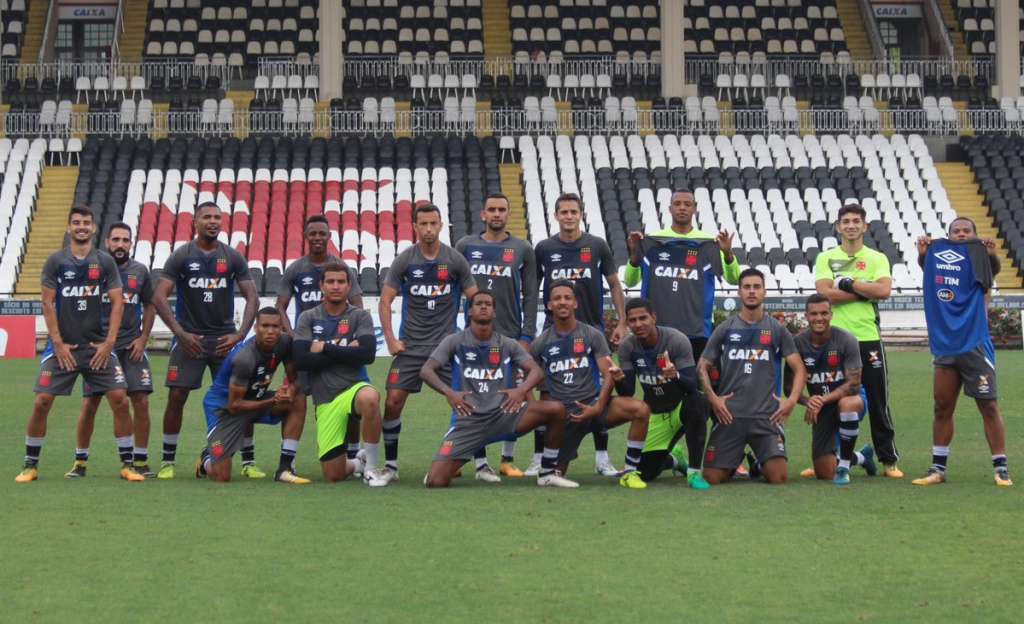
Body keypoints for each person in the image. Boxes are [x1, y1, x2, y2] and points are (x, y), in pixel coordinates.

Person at [15, 206, 142, 483]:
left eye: (86, 223)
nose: (81, 227)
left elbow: (118, 301)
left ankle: (127, 465)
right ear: (68, 227)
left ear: (94, 228)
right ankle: (30, 465)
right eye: (76, 223)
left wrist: (109, 343)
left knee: (120, 399)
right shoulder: (56, 261)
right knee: (42, 401)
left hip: (97, 347)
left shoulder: (104, 262)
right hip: (64, 348)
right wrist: (58, 343)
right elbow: (47, 303)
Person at [624, 188, 740, 479]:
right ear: (669, 207)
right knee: (662, 395)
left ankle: (718, 458)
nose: (682, 208)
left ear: (695, 208)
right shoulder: (653, 241)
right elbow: (630, 279)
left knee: (702, 398)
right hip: (658, 337)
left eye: (687, 204)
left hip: (697, 334)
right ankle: (670, 452)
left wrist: (727, 253)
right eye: (678, 203)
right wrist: (634, 255)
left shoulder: (707, 244)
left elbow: (733, 278)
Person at [420, 291, 578, 488]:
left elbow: (536, 371)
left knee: (556, 410)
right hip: (470, 422)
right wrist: (449, 392)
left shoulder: (507, 344)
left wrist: (521, 390)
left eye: (488, 304)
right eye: (478, 304)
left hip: (505, 416)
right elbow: (426, 370)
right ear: (470, 311)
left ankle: (546, 472)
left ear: (494, 312)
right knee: (436, 481)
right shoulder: (455, 341)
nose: (483, 307)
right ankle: (460, 457)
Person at [152, 201, 259, 479]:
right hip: (190, 340)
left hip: (224, 341)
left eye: (217, 217)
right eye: (207, 217)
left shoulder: (232, 257)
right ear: (195, 222)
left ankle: (248, 461)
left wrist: (240, 334)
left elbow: (253, 298)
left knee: (239, 397)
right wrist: (180, 334)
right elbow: (159, 296)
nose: (213, 222)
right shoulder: (181, 256)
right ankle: (167, 461)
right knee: (177, 397)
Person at [379, 204, 478, 482]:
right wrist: (390, 339)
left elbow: (476, 298)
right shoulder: (405, 260)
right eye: (423, 224)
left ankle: (458, 459)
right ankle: (391, 465)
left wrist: (470, 335)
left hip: (445, 349)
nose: (428, 229)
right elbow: (385, 300)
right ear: (415, 226)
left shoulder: (455, 260)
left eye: (433, 223)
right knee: (393, 401)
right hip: (410, 347)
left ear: (441, 224)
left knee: (464, 402)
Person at [532, 192, 628, 476]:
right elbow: (534, 288)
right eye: (564, 212)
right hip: (554, 331)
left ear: (581, 215)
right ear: (556, 216)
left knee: (599, 392)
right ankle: (540, 457)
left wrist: (621, 322)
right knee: (547, 394)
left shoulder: (597, 245)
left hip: (592, 329)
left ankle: (602, 458)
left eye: (574, 211)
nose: (569, 216)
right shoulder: (545, 248)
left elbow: (614, 284)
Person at [912, 218, 1012, 487]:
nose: (961, 234)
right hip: (945, 346)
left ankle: (1001, 468)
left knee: (989, 406)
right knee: (942, 407)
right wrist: (923, 255)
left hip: (975, 344)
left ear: (975, 235)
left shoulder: (978, 256)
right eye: (956, 231)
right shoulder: (936, 256)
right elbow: (928, 268)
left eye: (967, 230)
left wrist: (990, 255)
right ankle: (938, 469)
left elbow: (992, 271)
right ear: (948, 235)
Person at [531, 281, 651, 489]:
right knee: (554, 476)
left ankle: (631, 471)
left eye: (567, 298)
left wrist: (597, 406)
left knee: (640, 409)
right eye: (557, 298)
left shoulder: (592, 335)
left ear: (575, 303)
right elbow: (527, 376)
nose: (562, 302)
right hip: (566, 416)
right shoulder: (541, 342)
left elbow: (609, 374)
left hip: (596, 406)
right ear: (549, 305)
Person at [454, 192, 538, 479]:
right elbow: (455, 288)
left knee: (512, 398)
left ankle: (507, 459)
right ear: (483, 214)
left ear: (508, 213)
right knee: (475, 397)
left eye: (502, 209)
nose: (497, 214)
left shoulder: (522, 248)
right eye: (492, 209)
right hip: (474, 337)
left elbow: (530, 294)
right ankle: (479, 463)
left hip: (511, 334)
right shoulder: (465, 245)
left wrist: (527, 333)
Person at [815, 203, 902, 478]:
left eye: (856, 221)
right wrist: (866, 291)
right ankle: (826, 457)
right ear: (838, 227)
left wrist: (848, 284)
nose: (851, 225)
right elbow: (825, 295)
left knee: (878, 400)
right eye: (846, 221)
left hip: (868, 338)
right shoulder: (825, 257)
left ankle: (889, 460)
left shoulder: (877, 258)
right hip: (835, 339)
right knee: (829, 400)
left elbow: (884, 291)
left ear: (864, 226)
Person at [698, 268, 806, 485]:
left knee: (779, 478)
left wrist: (792, 401)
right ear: (739, 292)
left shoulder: (776, 329)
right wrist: (713, 399)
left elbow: (799, 368)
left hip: (766, 416)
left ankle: (758, 463)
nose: (752, 291)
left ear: (764, 292)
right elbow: (702, 366)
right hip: (730, 415)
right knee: (712, 478)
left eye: (757, 287)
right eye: (747, 287)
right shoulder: (725, 329)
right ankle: (734, 457)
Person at [69, 223, 158, 478]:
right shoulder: (91, 269)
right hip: (98, 348)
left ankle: (139, 460)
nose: (120, 244)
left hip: (131, 347)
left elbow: (150, 305)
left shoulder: (140, 271)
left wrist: (143, 338)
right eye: (116, 239)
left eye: (125, 240)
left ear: (131, 243)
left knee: (140, 401)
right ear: (107, 241)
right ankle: (80, 461)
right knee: (90, 403)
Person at [276, 214, 364, 467]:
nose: (317, 238)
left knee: (350, 399)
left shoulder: (341, 267)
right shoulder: (296, 269)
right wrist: (293, 336)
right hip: (307, 348)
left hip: (337, 347)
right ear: (306, 237)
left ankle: (352, 455)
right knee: (297, 400)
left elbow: (357, 304)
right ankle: (288, 460)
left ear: (329, 236)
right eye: (312, 233)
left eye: (321, 233)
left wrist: (354, 338)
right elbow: (280, 305)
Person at [293, 263, 390, 485]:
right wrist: (348, 350)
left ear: (348, 286)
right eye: (330, 282)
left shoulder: (360, 316)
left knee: (370, 398)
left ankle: (373, 468)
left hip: (353, 390)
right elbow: (301, 360)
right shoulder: (308, 318)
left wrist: (325, 347)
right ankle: (359, 463)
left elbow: (366, 355)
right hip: (325, 398)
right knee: (333, 475)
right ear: (321, 286)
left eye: (341, 282)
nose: (335, 286)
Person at [196, 308, 308, 483]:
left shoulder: (285, 343)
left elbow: (296, 379)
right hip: (224, 409)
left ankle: (285, 467)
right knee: (221, 476)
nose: (270, 331)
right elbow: (235, 405)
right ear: (256, 328)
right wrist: (273, 400)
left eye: (275, 326)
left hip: (255, 399)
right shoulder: (244, 358)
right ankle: (206, 458)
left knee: (298, 399)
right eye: (265, 326)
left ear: (282, 328)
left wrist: (290, 390)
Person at [614, 298, 710, 489]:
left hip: (682, 407)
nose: (638, 324)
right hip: (656, 413)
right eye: (632, 320)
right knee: (645, 473)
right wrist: (618, 379)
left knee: (698, 402)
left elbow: (692, 385)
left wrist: (675, 375)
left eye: (643, 318)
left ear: (654, 318)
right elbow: (628, 391)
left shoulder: (676, 340)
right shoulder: (627, 346)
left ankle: (694, 473)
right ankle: (675, 459)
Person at [790, 294, 876, 486]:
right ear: (806, 316)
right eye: (813, 314)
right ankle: (861, 457)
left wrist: (822, 400)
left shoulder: (847, 340)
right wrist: (807, 401)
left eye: (824, 313)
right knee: (824, 472)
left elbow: (854, 384)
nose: (819, 318)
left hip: (848, 398)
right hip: (821, 407)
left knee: (848, 404)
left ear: (831, 314)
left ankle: (844, 467)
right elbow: (789, 386)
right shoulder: (798, 344)